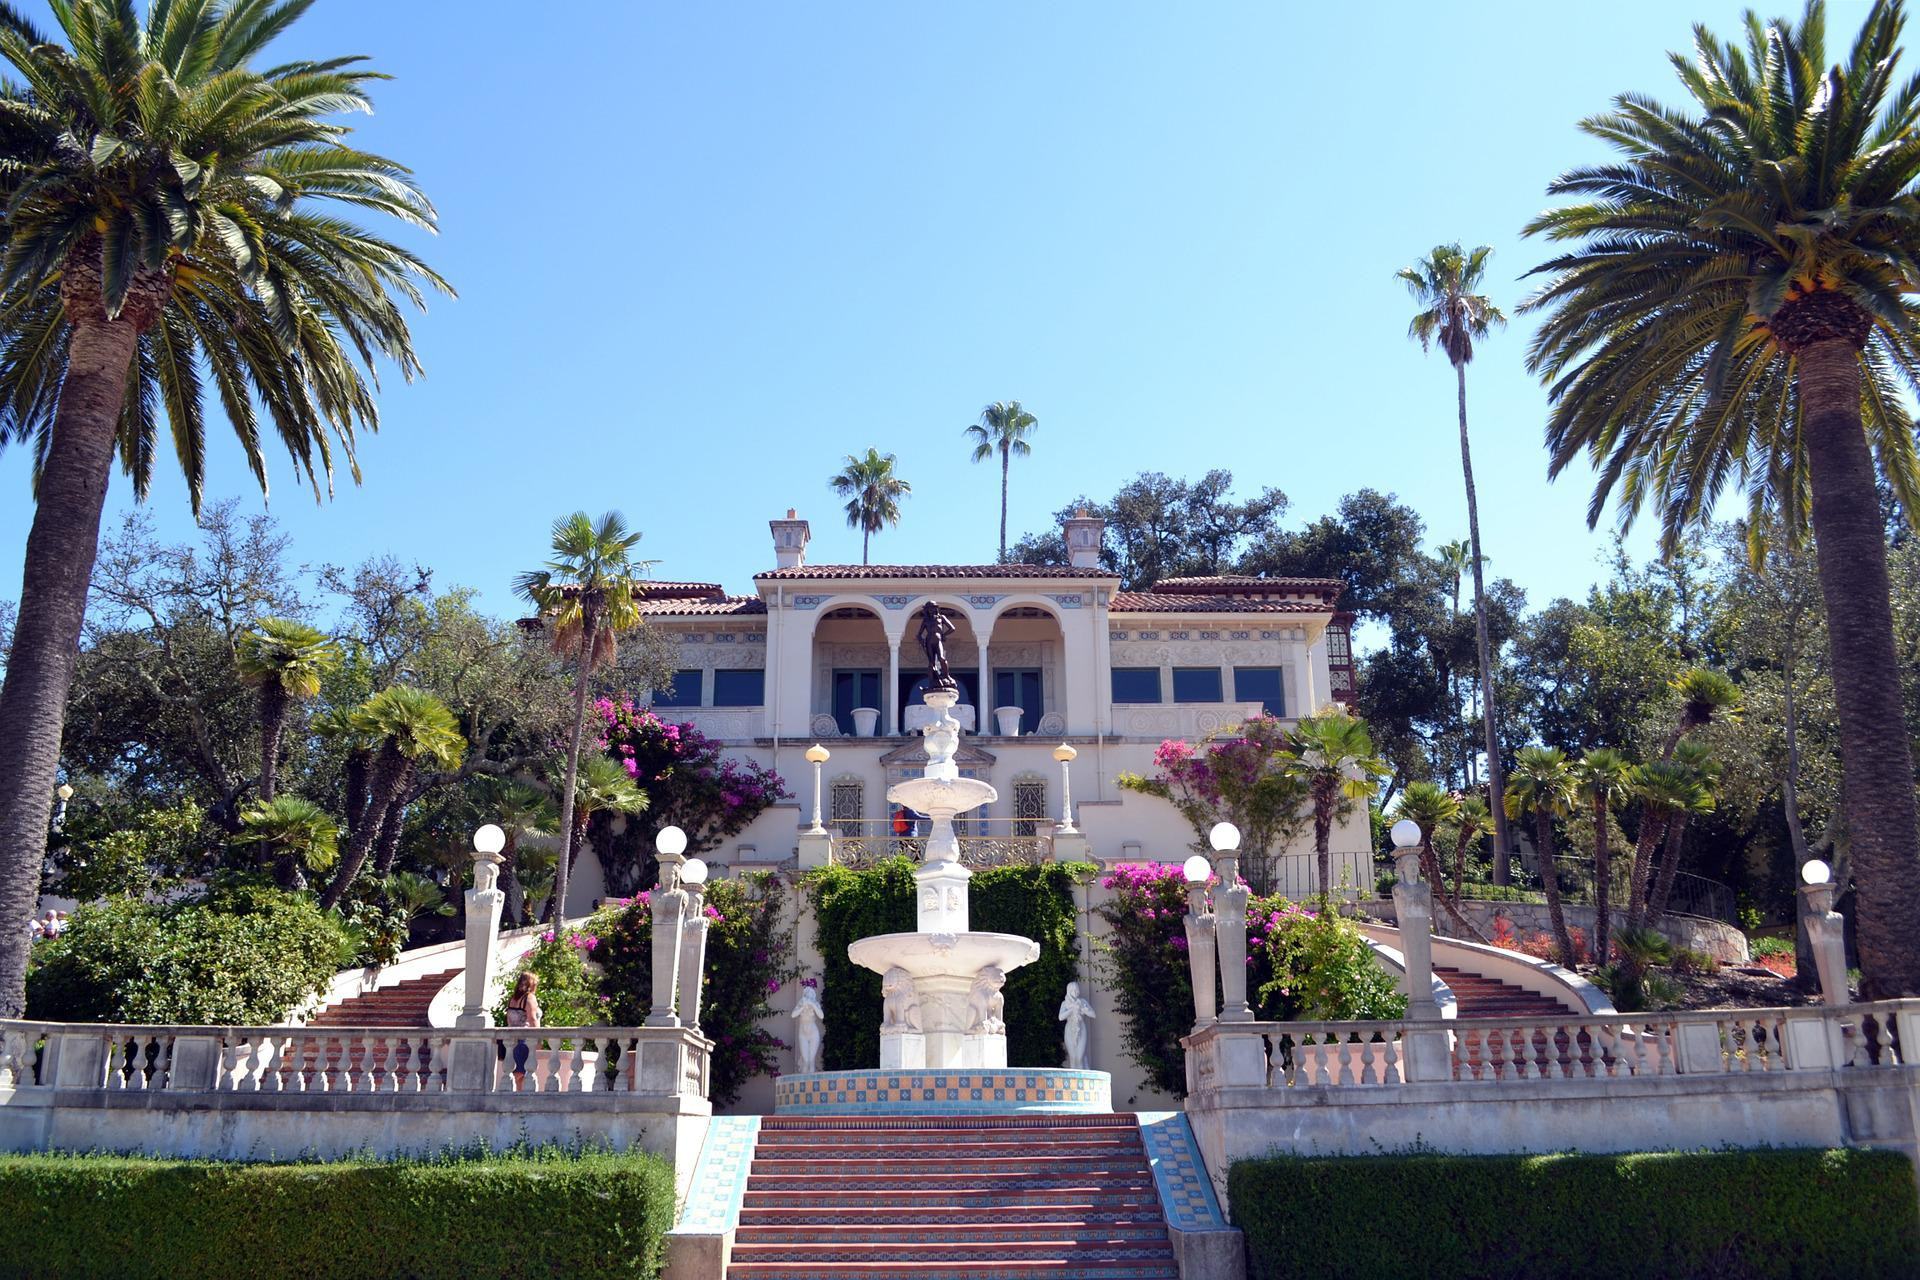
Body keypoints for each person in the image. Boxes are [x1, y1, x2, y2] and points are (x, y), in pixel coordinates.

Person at [504, 971, 541, 1076]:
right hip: (524, 1040)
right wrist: (538, 1039)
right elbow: (532, 1019)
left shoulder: (513, 999)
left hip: (511, 1039)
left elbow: (508, 1019)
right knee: (523, 1073)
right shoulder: (529, 998)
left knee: (516, 1074)